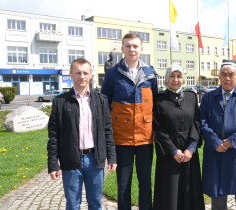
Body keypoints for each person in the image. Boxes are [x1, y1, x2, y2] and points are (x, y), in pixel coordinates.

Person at [47, 58, 117, 210]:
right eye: (78, 73)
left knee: (96, 204)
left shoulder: (101, 100)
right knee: (72, 205)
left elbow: (107, 130)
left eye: (85, 72)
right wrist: (53, 164)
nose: (82, 76)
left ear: (91, 74)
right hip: (71, 160)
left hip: (95, 160)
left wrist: (111, 156)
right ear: (71, 74)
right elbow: (53, 135)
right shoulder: (60, 102)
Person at [101, 32, 157, 210]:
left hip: (145, 138)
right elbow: (104, 103)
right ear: (122, 48)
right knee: (123, 183)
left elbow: (155, 102)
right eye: (128, 46)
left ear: (142, 49)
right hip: (122, 138)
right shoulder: (112, 73)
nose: (132, 49)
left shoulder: (150, 73)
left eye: (135, 46)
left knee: (145, 182)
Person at [200, 60, 236, 210]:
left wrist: (233, 141)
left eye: (231, 75)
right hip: (216, 153)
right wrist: (215, 142)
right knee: (218, 196)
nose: (227, 78)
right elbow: (202, 121)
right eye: (224, 75)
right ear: (219, 77)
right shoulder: (208, 97)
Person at [153, 65, 205, 210]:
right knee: (170, 192)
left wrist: (191, 148)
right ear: (166, 78)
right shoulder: (158, 100)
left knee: (191, 191)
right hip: (168, 154)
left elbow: (196, 123)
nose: (175, 80)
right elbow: (158, 129)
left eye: (179, 76)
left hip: (189, 152)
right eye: (172, 76)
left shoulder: (191, 96)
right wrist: (174, 151)